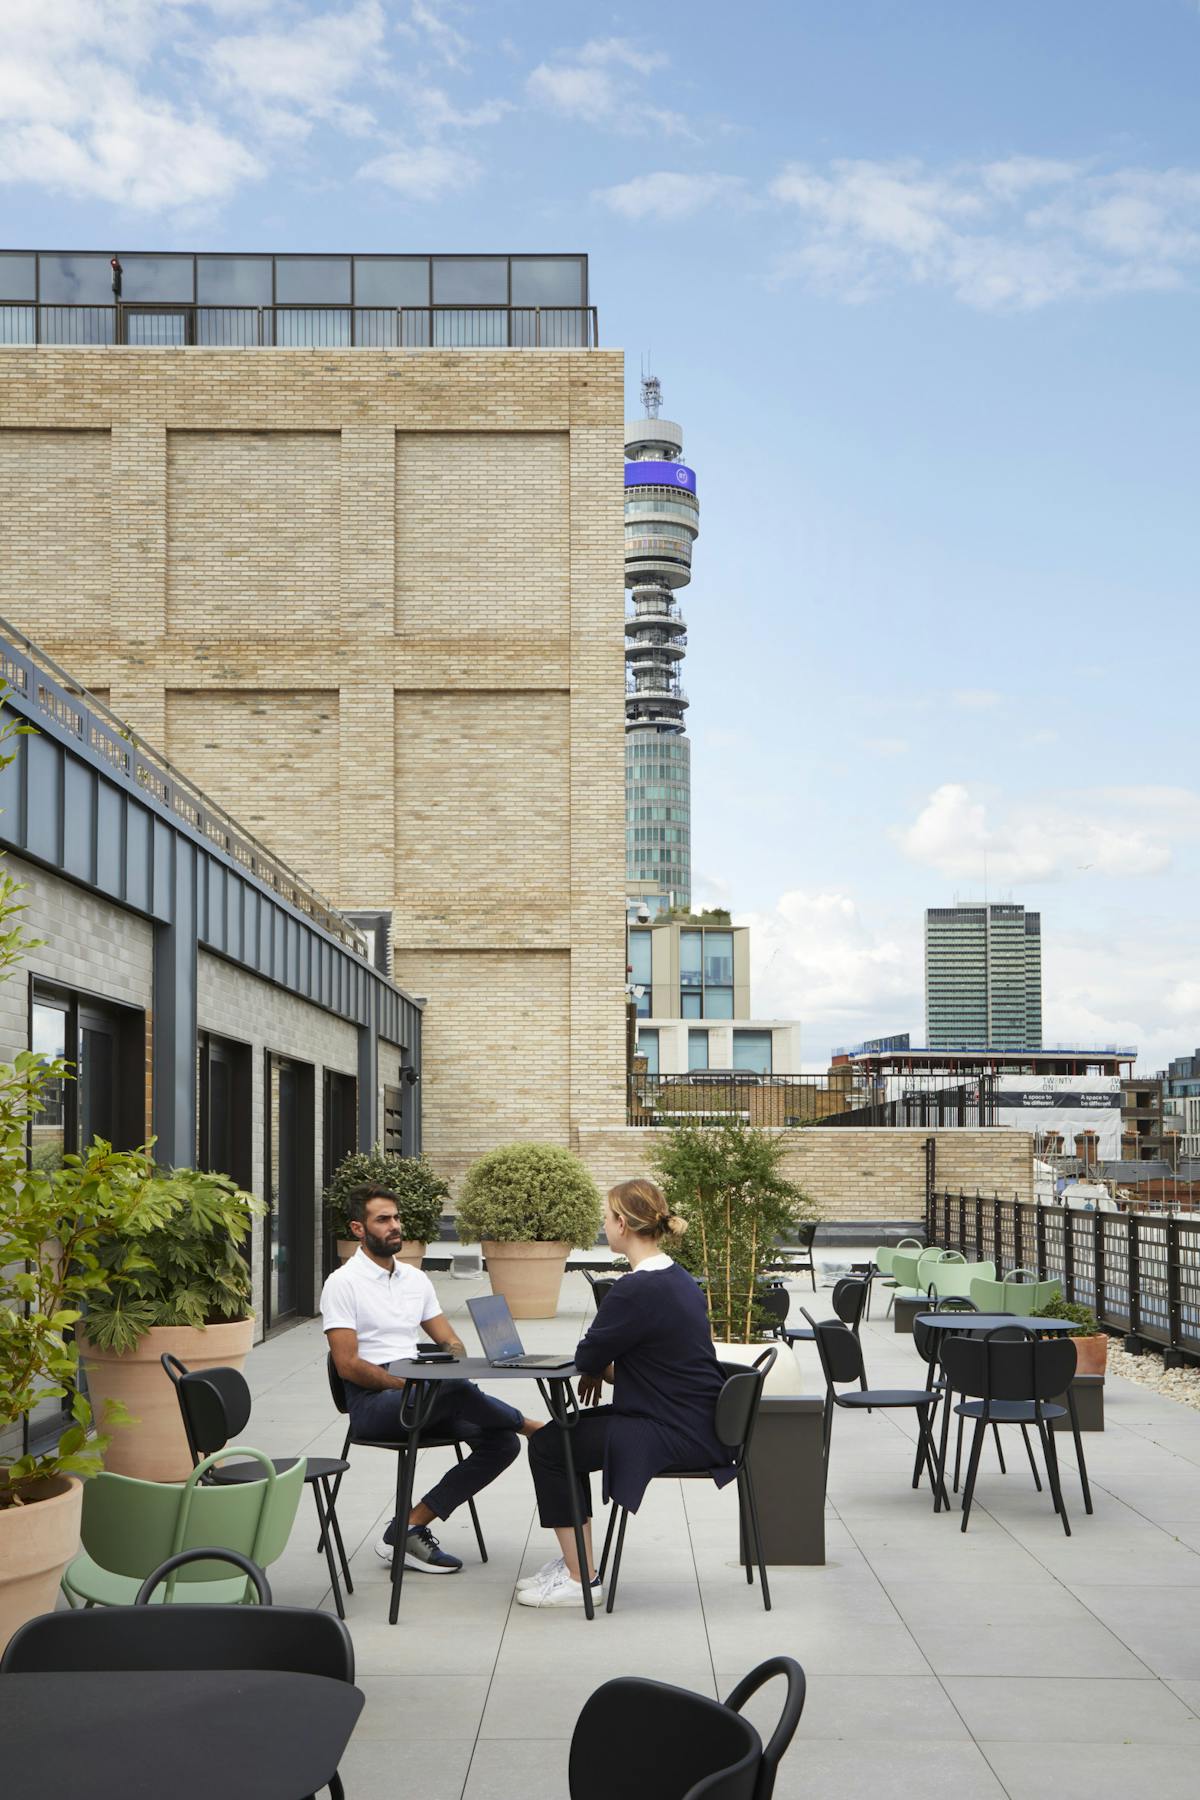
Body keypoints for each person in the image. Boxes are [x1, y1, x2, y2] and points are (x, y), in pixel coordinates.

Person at [519, 1177, 733, 1609]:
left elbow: (588, 1352)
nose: (604, 1224)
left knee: (548, 1446)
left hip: (672, 1430)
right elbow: (653, 1361)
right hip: (696, 1422)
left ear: (621, 1223)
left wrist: (600, 1365)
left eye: (606, 1217)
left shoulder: (634, 1288)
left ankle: (581, 1578)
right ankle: (577, 1562)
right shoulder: (677, 1278)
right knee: (565, 1433)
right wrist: (606, 1366)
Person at [320, 1183, 541, 1574]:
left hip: (425, 1391)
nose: (395, 1226)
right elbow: (347, 1365)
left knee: (501, 1444)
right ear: (358, 1229)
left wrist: (450, 1360)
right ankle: (529, 1424)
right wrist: (410, 1385)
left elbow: (450, 1340)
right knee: (455, 1389)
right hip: (375, 1401)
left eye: (396, 1217)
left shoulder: (414, 1280)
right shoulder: (343, 1284)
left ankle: (409, 1525)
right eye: (383, 1219)